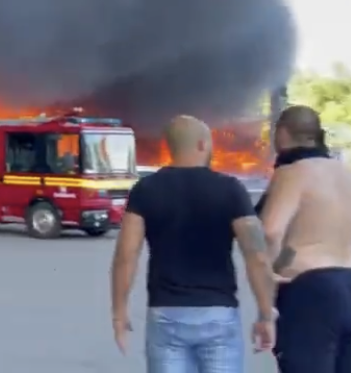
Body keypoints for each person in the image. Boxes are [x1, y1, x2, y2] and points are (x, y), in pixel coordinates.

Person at [110, 115, 277, 370]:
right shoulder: (231, 189)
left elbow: (126, 255)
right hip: (218, 313)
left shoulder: (146, 189)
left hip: (166, 314)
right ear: (202, 145)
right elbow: (257, 256)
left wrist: (119, 313)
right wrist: (266, 314)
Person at [260, 105, 351, 373]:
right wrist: (350, 256)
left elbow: (270, 231)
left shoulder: (292, 173)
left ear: (283, 133)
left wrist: (274, 271)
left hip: (309, 291)